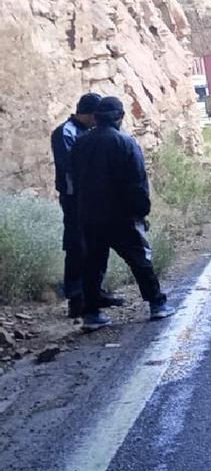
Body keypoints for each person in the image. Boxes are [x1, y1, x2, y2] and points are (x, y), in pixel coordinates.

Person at [72, 97, 175, 330]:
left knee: (93, 263)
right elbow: (137, 182)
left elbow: (75, 179)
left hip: (89, 215)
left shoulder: (80, 143)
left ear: (97, 117)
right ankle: (157, 304)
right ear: (120, 117)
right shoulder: (125, 142)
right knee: (139, 259)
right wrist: (141, 212)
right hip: (120, 215)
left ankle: (91, 314)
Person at [51, 93, 127, 318]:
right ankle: (76, 298)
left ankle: (95, 292)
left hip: (92, 197)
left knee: (96, 243)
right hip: (75, 197)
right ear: (90, 114)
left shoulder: (89, 132)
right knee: (76, 244)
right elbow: (72, 167)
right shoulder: (65, 132)